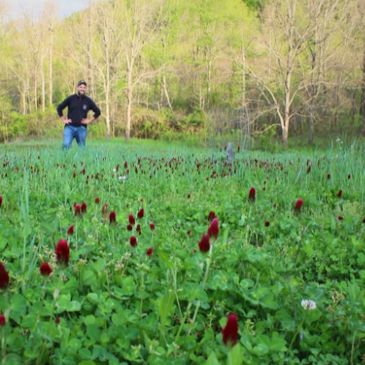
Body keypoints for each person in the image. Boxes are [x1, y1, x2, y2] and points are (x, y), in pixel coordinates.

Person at [57, 80, 101, 149]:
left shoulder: (88, 101)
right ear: (77, 88)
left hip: (81, 128)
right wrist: (63, 119)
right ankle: (65, 159)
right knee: (66, 145)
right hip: (69, 127)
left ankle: (81, 160)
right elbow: (59, 108)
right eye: (80, 87)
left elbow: (98, 112)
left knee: (82, 149)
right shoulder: (71, 98)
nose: (82, 89)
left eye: (84, 87)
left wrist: (89, 120)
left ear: (86, 88)